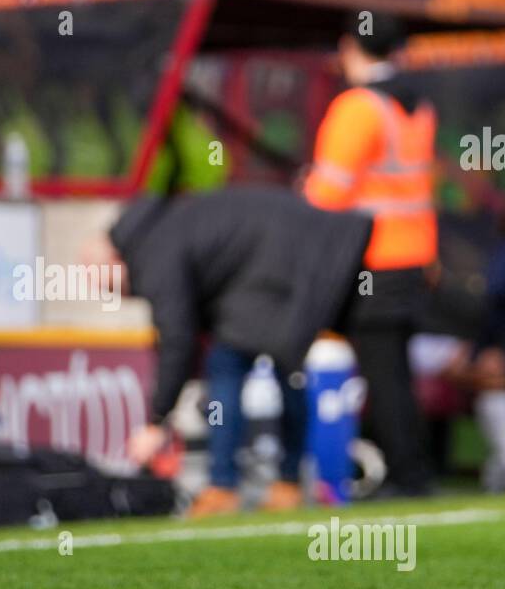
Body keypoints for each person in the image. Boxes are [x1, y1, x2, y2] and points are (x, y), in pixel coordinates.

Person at [95, 189, 373, 517]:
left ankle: (228, 487)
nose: (124, 295)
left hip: (275, 265)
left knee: (231, 368)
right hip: (282, 263)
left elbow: (177, 337)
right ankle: (283, 482)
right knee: (283, 366)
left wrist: (157, 420)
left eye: (114, 288)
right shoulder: (159, 228)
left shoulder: (154, 253)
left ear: (114, 261)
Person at [304, 15, 438, 497]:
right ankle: (411, 468)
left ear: (349, 46)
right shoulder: (415, 103)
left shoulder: (357, 106)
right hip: (413, 256)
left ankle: (406, 475)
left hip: (370, 260)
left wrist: (303, 194)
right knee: (396, 371)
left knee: (381, 375)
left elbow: (329, 193)